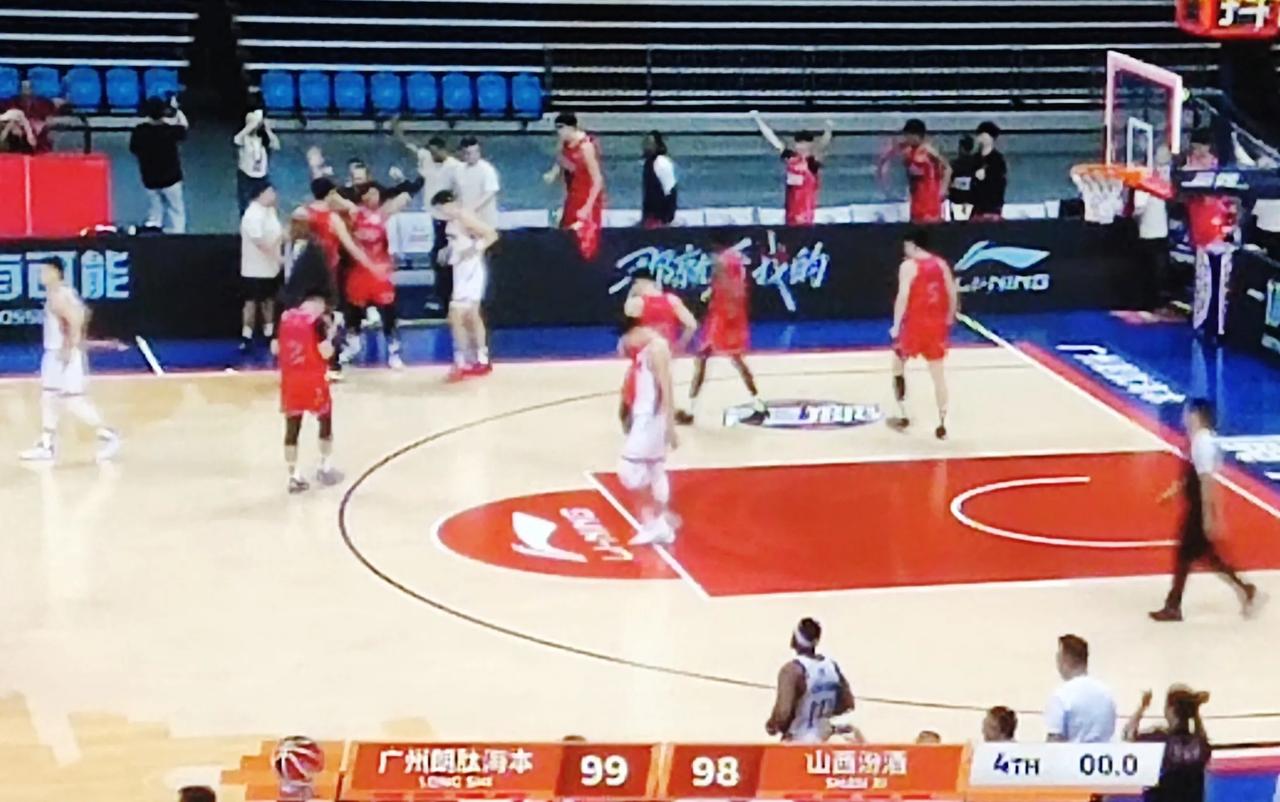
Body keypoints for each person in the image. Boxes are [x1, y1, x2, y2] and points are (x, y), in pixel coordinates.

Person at [1150, 400, 1260, 621]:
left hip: (1198, 507)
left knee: (1186, 555)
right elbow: (1193, 475)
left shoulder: (1203, 444)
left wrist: (1210, 516)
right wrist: (1173, 491)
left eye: (1188, 414)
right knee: (1205, 555)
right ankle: (1244, 587)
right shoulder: (1199, 441)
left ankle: (1173, 606)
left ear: (1197, 416)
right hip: (1196, 505)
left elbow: (1206, 481)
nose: (1184, 418)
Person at [18, 261, 121, 463]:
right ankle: (47, 445)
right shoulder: (60, 293)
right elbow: (85, 312)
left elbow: (75, 319)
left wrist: (69, 346)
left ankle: (108, 434)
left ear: (56, 272)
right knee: (49, 397)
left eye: (45, 271)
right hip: (55, 353)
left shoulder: (61, 295)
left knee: (72, 401)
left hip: (63, 353)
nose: (41, 275)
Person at [676, 233, 766, 425]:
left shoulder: (721, 261)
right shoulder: (737, 259)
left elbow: (725, 285)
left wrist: (713, 302)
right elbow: (737, 288)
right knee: (735, 360)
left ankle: (691, 410)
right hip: (734, 314)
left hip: (722, 316)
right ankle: (758, 404)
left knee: (703, 359)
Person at [888, 227, 957, 440]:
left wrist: (896, 325)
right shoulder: (941, 264)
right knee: (938, 374)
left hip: (915, 326)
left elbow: (903, 296)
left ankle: (904, 414)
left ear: (912, 245)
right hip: (936, 326)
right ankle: (942, 423)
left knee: (897, 366)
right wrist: (949, 317)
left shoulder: (908, 266)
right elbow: (952, 292)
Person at [617, 319, 679, 546]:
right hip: (646, 418)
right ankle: (660, 523)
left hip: (651, 420)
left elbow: (666, 388)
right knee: (655, 469)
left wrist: (670, 425)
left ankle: (654, 523)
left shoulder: (657, 349)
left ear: (636, 331)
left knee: (628, 470)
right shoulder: (645, 349)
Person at [344, 182, 418, 370]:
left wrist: (414, 181)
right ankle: (353, 346)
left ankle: (394, 351)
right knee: (354, 312)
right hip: (360, 271)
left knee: (388, 313)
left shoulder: (384, 213)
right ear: (362, 196)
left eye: (376, 194)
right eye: (369, 194)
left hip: (380, 272)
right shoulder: (354, 213)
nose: (373, 198)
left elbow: (405, 196)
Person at [278, 290, 342, 494]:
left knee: (292, 428)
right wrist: (332, 334)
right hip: (313, 379)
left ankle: (293, 475)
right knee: (325, 419)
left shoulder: (285, 318)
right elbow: (326, 352)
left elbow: (275, 348)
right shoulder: (317, 322)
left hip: (290, 380)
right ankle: (325, 467)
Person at [431, 189, 499, 380]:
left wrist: (472, 250)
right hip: (461, 270)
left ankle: (462, 360)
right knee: (471, 316)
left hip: (470, 270)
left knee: (457, 315)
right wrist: (447, 250)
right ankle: (479, 358)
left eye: (441, 209)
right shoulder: (454, 220)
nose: (441, 213)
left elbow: (491, 235)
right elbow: (459, 241)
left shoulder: (464, 216)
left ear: (448, 204)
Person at [1183, 129, 1237, 343]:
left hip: (1222, 241)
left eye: (1202, 154)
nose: (1198, 157)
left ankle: (1218, 327)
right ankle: (1203, 324)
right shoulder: (1192, 177)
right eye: (1195, 153)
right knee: (1204, 286)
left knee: (1221, 288)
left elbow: (1234, 204)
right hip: (1203, 240)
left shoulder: (1224, 177)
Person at [765, 618, 855, 743]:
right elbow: (847, 704)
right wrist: (822, 714)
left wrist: (772, 725)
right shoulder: (832, 667)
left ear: (794, 639)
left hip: (799, 738)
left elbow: (783, 713)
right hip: (824, 736)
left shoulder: (792, 670)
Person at [1123, 685, 1212, 802]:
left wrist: (1142, 707)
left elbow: (1128, 735)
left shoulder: (1160, 740)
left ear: (1171, 709)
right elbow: (1202, 737)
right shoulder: (1199, 745)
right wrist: (1196, 715)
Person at [751, 111, 833, 226]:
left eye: (806, 145)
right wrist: (758, 119)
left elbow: (822, 144)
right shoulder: (792, 159)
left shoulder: (811, 162)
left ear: (810, 145)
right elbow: (774, 140)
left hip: (805, 218)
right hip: (790, 217)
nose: (802, 148)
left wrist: (828, 129)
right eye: (800, 145)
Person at [545, 111, 605, 260]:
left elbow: (597, 179)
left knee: (583, 241)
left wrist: (587, 207)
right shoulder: (564, 145)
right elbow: (562, 160)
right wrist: (553, 173)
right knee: (566, 235)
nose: (559, 133)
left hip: (586, 197)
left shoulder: (586, 147)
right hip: (572, 195)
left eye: (561, 128)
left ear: (571, 128)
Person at [129, 95, 189, 233]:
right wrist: (176, 110)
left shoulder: (139, 131)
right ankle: (177, 234)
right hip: (171, 179)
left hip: (149, 179)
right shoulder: (170, 130)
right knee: (176, 209)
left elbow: (133, 149)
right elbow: (184, 127)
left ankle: (154, 232)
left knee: (155, 210)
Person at [1045, 634, 1116, 743]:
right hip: (1103, 753)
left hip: (1071, 753)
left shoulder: (1061, 696)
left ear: (1066, 660)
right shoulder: (1107, 695)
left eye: (1058, 658)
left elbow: (1054, 742)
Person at [878, 119, 951, 224]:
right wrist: (883, 176)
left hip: (930, 198)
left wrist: (943, 189)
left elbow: (947, 168)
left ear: (916, 136)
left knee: (929, 224)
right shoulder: (907, 150)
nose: (906, 138)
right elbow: (885, 158)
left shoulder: (928, 151)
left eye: (908, 135)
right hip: (916, 200)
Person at [239, 183, 283, 353]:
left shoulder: (270, 212)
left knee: (269, 301)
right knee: (251, 302)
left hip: (270, 268)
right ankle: (247, 336)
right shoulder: (252, 214)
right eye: (270, 192)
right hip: (253, 269)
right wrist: (277, 257)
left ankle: (268, 332)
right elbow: (259, 241)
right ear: (261, 194)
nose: (274, 195)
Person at [1134, 146, 1174, 307]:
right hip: (1149, 233)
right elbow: (1139, 209)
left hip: (1160, 232)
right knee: (1152, 270)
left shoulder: (1162, 181)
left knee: (1158, 269)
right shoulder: (1145, 183)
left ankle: (1157, 300)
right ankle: (1151, 302)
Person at [623, 276, 697, 351]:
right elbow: (692, 325)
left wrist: (632, 293)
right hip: (667, 346)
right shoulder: (672, 300)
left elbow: (627, 311)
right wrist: (681, 344)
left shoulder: (638, 302)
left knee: (626, 339)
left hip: (648, 347)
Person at [233, 106, 280, 215]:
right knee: (245, 207)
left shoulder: (263, 139)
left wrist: (267, 129)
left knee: (267, 205)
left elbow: (276, 145)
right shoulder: (244, 138)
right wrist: (250, 126)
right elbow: (236, 140)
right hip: (247, 177)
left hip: (262, 177)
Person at [2, 79, 63, 153]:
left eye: (29, 90)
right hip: (18, 132)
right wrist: (12, 124)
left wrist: (43, 123)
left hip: (38, 131)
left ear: (33, 91)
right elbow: (7, 117)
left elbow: (52, 116)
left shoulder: (44, 103)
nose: (26, 93)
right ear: (19, 91)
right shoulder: (11, 103)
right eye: (24, 91)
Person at [455, 136, 501, 229]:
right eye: (468, 153)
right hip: (466, 221)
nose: (473, 156)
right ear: (463, 153)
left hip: (485, 222)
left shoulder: (487, 169)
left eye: (476, 152)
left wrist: (471, 208)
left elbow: (490, 193)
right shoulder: (459, 169)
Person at [970, 121, 1008, 221]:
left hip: (992, 208)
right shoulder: (975, 159)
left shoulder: (997, 159)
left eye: (983, 135)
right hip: (977, 208)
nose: (980, 138)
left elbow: (999, 182)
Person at [641, 131, 677, 228]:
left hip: (660, 219)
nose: (646, 147)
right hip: (651, 219)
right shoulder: (649, 163)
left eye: (650, 144)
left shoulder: (662, 162)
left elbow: (670, 192)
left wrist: (665, 219)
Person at [949, 134, 979, 220]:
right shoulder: (977, 163)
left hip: (957, 200)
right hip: (972, 200)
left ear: (961, 147)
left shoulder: (954, 164)